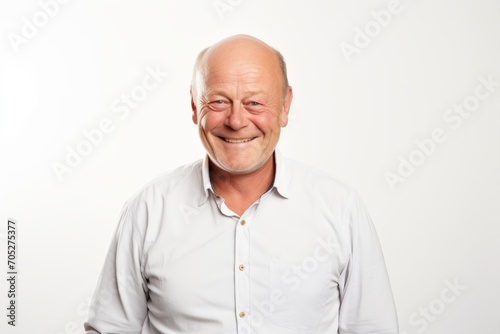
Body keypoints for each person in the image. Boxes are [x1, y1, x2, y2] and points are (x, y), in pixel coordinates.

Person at [84, 34, 399, 333]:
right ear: (194, 105)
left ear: (285, 106)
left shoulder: (340, 208)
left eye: (255, 103)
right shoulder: (148, 210)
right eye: (219, 102)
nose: (236, 121)